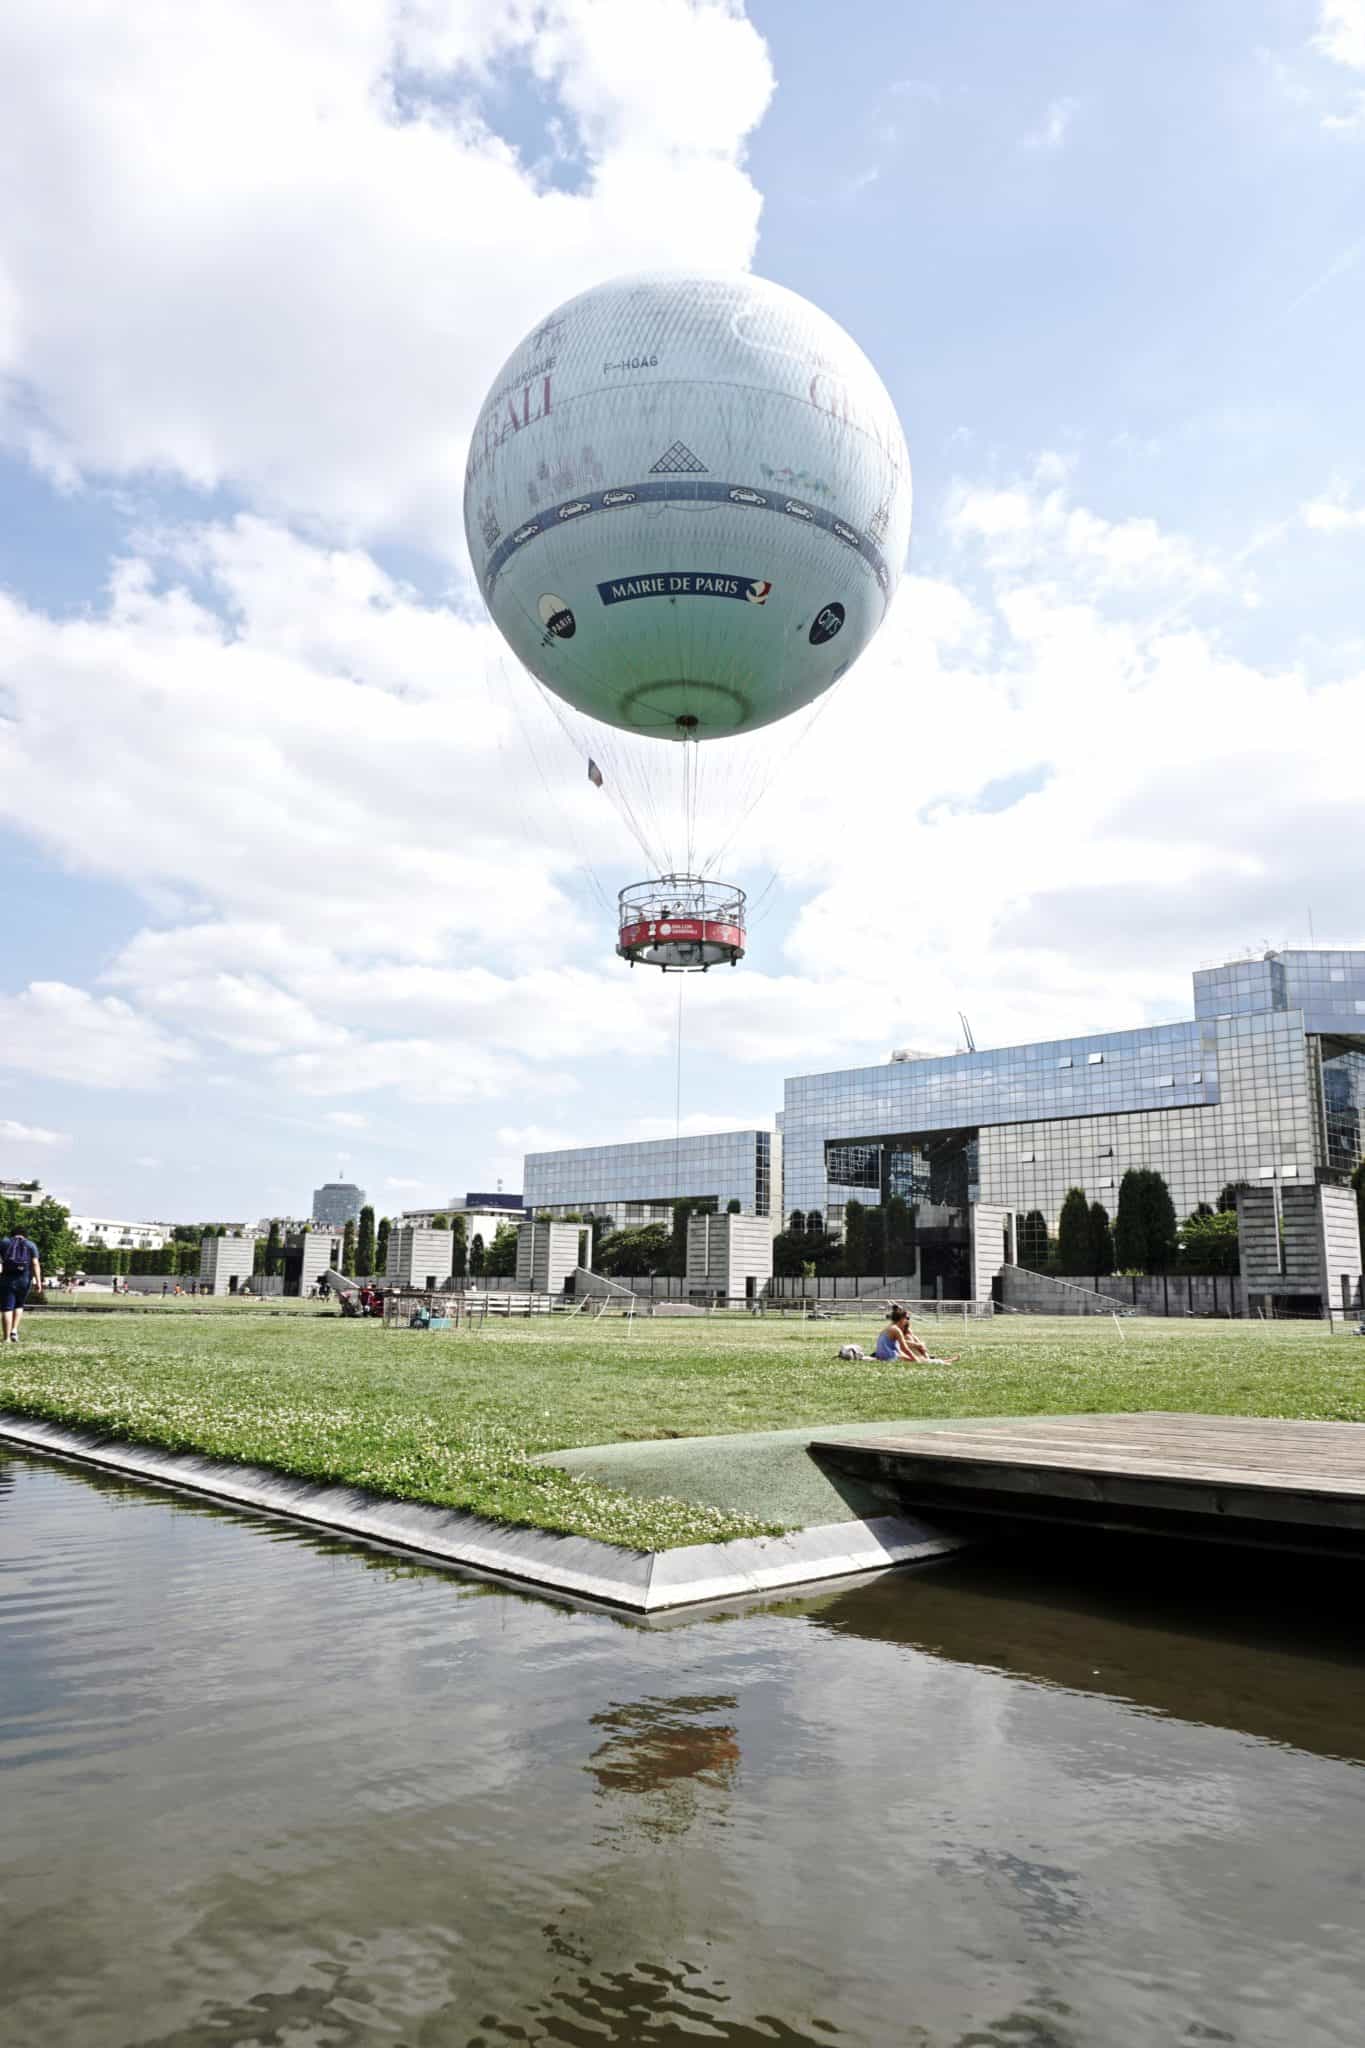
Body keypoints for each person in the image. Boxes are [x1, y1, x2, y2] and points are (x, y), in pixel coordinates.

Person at [0, 1226, 43, 1343]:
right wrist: (38, 1282)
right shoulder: (31, 1245)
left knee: (7, 1308)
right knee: (19, 1305)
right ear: (25, 1235)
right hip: (25, 1280)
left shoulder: (4, 1243)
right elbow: (35, 1263)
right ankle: (14, 1330)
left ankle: (6, 1338)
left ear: (12, 1234)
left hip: (7, 1279)